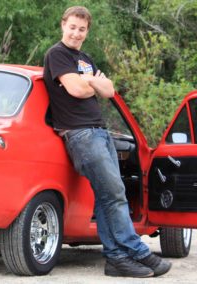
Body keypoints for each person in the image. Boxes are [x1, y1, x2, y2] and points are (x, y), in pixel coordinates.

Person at [43, 6, 171, 278]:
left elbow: (109, 89)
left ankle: (115, 259)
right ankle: (136, 251)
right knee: (114, 193)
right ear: (62, 25)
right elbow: (78, 90)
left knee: (108, 197)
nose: (76, 33)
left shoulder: (85, 58)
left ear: (87, 31)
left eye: (82, 29)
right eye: (72, 27)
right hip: (80, 134)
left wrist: (87, 79)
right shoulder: (57, 54)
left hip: (100, 132)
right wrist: (91, 82)